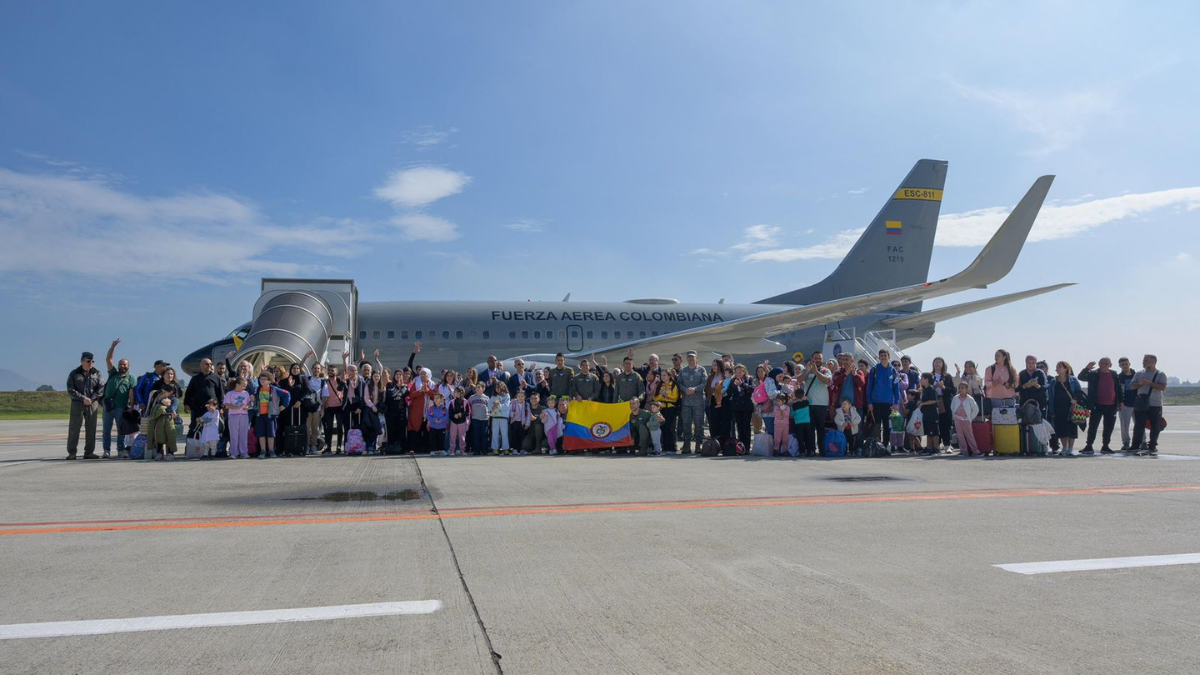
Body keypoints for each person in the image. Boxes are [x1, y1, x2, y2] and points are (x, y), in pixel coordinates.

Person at [66, 351, 105, 460]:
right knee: (74, 428)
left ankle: (89, 452)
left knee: (91, 428)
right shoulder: (74, 373)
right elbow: (70, 389)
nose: (90, 363)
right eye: (88, 361)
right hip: (77, 403)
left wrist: (91, 399)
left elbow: (101, 388)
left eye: (92, 361)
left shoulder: (97, 373)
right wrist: (83, 398)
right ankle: (72, 452)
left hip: (92, 403)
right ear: (82, 361)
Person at [1078, 358, 1121, 454]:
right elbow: (1080, 377)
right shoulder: (1093, 374)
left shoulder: (1114, 374)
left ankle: (1105, 446)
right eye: (1101, 363)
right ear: (1099, 364)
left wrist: (1120, 402)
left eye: (1106, 363)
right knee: (1093, 426)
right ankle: (1089, 445)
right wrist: (1087, 368)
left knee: (1108, 427)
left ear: (1110, 365)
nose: (1103, 365)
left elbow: (1118, 388)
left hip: (1111, 405)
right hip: (1097, 405)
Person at [101, 339, 135, 458]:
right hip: (108, 406)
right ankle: (106, 450)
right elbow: (108, 359)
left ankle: (121, 449)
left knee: (121, 429)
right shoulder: (113, 373)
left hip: (121, 407)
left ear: (128, 366)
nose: (122, 366)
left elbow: (131, 393)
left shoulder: (131, 378)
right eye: (120, 364)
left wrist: (131, 407)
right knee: (106, 429)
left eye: (124, 364)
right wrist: (113, 347)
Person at [1129, 355, 1167, 456]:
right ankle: (1135, 445)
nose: (1144, 362)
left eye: (1146, 360)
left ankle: (1152, 445)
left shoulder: (1160, 374)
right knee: (1139, 425)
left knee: (1155, 426)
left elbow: (1163, 387)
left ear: (1154, 362)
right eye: (1144, 361)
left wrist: (1151, 383)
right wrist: (1140, 383)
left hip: (1155, 404)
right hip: (1141, 403)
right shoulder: (1139, 373)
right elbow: (1132, 386)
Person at [1047, 361, 1087, 456]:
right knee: (1061, 428)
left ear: (1066, 369)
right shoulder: (1053, 381)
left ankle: (1070, 448)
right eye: (1057, 367)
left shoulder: (1073, 380)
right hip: (1058, 407)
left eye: (1060, 367)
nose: (1057, 368)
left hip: (1071, 407)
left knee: (1071, 428)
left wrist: (1075, 400)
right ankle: (1064, 448)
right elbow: (1051, 396)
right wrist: (1051, 410)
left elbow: (1079, 392)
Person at [864, 349, 902, 447]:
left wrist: (896, 402)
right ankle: (877, 445)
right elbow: (869, 386)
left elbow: (896, 388)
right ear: (879, 357)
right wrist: (869, 402)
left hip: (888, 403)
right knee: (876, 425)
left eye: (885, 355)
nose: (883, 357)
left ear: (889, 356)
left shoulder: (893, 371)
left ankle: (885, 445)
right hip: (876, 402)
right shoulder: (874, 369)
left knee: (887, 426)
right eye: (881, 355)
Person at [147, 367, 184, 460]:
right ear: (163, 375)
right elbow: (153, 395)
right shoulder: (157, 384)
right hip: (159, 415)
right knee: (159, 434)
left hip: (171, 415)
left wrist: (169, 409)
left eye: (171, 374)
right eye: (168, 373)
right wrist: (161, 396)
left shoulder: (176, 385)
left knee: (170, 434)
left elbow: (179, 396)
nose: (170, 375)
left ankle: (170, 452)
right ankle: (160, 452)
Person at [253, 372, 291, 458]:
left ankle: (271, 450)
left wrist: (284, 406)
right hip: (260, 415)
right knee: (261, 434)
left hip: (271, 415)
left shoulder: (274, 389)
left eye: (264, 379)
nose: (262, 381)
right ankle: (262, 451)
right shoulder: (257, 389)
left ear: (269, 381)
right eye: (260, 379)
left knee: (271, 434)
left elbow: (287, 394)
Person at [801, 353, 832, 454]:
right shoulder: (806, 369)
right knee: (810, 428)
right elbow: (798, 380)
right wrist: (808, 371)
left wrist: (816, 372)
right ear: (812, 359)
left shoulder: (825, 370)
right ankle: (811, 449)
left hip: (821, 404)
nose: (818, 360)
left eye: (820, 358)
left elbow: (827, 380)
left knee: (820, 428)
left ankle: (822, 449)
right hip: (808, 403)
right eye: (816, 358)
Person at [184, 357, 223, 437]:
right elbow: (189, 392)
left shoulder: (216, 378)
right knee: (195, 428)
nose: (209, 365)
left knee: (210, 428)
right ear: (201, 365)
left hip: (211, 409)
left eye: (210, 364)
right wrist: (186, 404)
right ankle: (194, 447)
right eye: (207, 364)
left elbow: (220, 393)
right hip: (197, 409)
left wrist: (221, 407)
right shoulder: (195, 378)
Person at [724, 364, 755, 450]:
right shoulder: (733, 380)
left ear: (744, 372)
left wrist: (742, 384)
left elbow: (752, 389)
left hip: (746, 406)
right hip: (737, 406)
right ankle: (741, 446)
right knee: (739, 427)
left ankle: (747, 446)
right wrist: (734, 386)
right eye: (736, 372)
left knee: (746, 426)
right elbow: (729, 392)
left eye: (740, 372)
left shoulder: (749, 379)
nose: (738, 374)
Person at [223, 377, 252, 458]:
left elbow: (249, 403)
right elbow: (227, 405)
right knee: (234, 434)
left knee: (243, 434)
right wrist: (236, 407)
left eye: (245, 386)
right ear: (237, 385)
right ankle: (234, 452)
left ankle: (244, 452)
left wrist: (248, 406)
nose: (244, 387)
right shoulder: (230, 393)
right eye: (243, 385)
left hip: (244, 415)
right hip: (233, 416)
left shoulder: (246, 393)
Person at [950, 382, 982, 456]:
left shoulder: (970, 399)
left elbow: (975, 409)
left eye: (962, 388)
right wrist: (954, 415)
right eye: (959, 388)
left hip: (966, 420)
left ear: (967, 390)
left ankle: (975, 451)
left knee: (969, 435)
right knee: (960, 436)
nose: (960, 390)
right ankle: (963, 451)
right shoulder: (956, 398)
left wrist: (970, 417)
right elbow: (952, 406)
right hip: (958, 419)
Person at [930, 357, 955, 449]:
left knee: (946, 423)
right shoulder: (930, 375)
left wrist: (943, 387)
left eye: (939, 362)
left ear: (943, 364)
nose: (937, 364)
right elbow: (925, 388)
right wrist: (934, 387)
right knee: (935, 424)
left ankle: (947, 443)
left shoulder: (947, 376)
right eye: (935, 362)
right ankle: (936, 444)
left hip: (944, 402)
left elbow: (953, 390)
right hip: (933, 402)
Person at [322, 365, 346, 454]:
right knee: (329, 428)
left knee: (340, 427)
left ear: (336, 372)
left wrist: (344, 360)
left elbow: (345, 370)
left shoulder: (339, 380)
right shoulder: (325, 382)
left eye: (333, 370)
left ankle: (339, 446)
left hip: (339, 407)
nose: (331, 372)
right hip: (329, 407)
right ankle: (328, 446)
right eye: (329, 370)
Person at [654, 369, 680, 452]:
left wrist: (667, 395)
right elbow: (655, 398)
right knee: (663, 427)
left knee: (670, 427)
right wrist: (662, 394)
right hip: (662, 408)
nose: (663, 377)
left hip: (671, 408)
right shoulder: (659, 385)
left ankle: (672, 447)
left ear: (669, 376)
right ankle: (665, 446)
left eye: (665, 375)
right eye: (662, 375)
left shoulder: (674, 385)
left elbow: (675, 398)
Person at [1117, 357, 1138, 452]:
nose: (1125, 366)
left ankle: (1142, 441)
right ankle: (1126, 442)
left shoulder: (1137, 375)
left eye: (1126, 364)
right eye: (1122, 365)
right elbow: (1117, 391)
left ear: (1129, 364)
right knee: (1124, 425)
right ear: (1120, 366)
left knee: (1139, 424)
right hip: (1125, 404)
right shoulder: (1118, 377)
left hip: (1138, 403)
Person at [918, 373, 941, 454]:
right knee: (928, 432)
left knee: (934, 432)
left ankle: (936, 448)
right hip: (926, 414)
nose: (921, 380)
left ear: (927, 379)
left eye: (922, 378)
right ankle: (928, 447)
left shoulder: (931, 388)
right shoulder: (925, 389)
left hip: (932, 413)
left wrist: (923, 404)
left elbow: (934, 400)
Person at [489, 382, 512, 455]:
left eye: (499, 388)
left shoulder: (506, 396)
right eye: (496, 388)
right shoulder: (493, 397)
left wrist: (498, 406)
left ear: (503, 388)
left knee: (504, 433)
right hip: (495, 417)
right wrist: (492, 408)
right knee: (495, 433)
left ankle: (505, 448)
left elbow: (506, 406)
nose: (498, 389)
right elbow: (489, 405)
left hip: (503, 417)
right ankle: (495, 448)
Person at [468, 383, 491, 454]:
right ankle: (476, 450)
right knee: (476, 435)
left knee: (484, 435)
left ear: (483, 388)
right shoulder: (472, 397)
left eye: (479, 387)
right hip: (475, 418)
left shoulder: (486, 398)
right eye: (476, 387)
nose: (477, 389)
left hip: (484, 419)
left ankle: (484, 449)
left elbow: (489, 408)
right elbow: (468, 406)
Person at [790, 390, 813, 456]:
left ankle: (802, 451)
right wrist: (806, 398)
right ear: (803, 395)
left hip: (798, 423)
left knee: (800, 438)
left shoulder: (794, 405)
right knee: (808, 437)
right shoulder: (806, 402)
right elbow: (810, 401)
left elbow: (792, 414)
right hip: (807, 422)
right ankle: (810, 450)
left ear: (795, 396)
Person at [510, 389, 530, 455]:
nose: (520, 398)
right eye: (519, 396)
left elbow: (528, 415)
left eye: (522, 396)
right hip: (515, 421)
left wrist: (527, 424)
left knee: (522, 436)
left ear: (524, 397)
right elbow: (509, 411)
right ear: (516, 397)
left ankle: (522, 449)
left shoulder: (526, 405)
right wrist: (512, 414)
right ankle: (515, 449)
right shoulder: (513, 403)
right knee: (514, 435)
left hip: (523, 422)